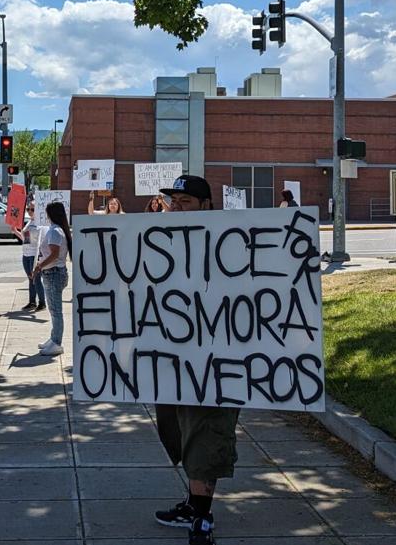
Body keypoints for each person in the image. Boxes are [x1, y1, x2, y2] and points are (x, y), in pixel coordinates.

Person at [152, 175, 236, 545]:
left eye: (185, 201)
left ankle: (202, 519)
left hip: (214, 365)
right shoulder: (162, 243)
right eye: (173, 202)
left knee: (204, 437)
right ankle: (193, 503)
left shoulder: (227, 243)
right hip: (173, 361)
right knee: (180, 433)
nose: (176, 207)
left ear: (206, 205)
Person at [28, 201, 71, 356]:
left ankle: (57, 342)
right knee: (54, 309)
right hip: (56, 272)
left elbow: (53, 254)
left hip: (53, 273)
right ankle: (54, 338)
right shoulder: (58, 230)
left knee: (55, 310)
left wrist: (39, 266)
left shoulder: (55, 231)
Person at [19, 204, 46, 312]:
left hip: (35, 254)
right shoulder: (30, 222)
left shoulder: (42, 224)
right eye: (28, 209)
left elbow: (43, 241)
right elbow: (26, 239)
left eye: (32, 209)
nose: (30, 211)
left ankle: (42, 302)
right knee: (31, 279)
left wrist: (40, 256)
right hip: (26, 253)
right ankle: (32, 302)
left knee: (37, 279)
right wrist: (16, 231)